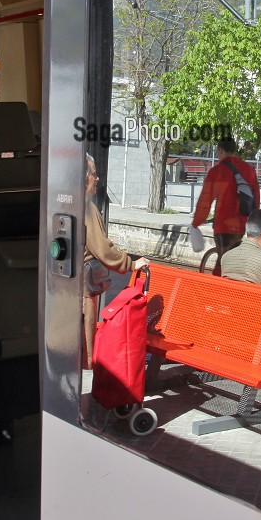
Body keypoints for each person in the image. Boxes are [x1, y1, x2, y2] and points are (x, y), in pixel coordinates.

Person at [83, 154, 148, 370]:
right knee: (85, 346)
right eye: (93, 174)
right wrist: (131, 264)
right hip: (83, 291)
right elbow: (103, 249)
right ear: (83, 178)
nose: (98, 178)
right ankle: (84, 396)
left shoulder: (64, 200)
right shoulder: (87, 208)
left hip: (65, 286)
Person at [192, 137, 260, 256]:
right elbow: (256, 198)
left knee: (223, 265)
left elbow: (205, 201)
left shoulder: (217, 171)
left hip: (224, 226)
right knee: (236, 261)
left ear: (220, 150)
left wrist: (196, 223)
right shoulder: (249, 170)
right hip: (243, 225)